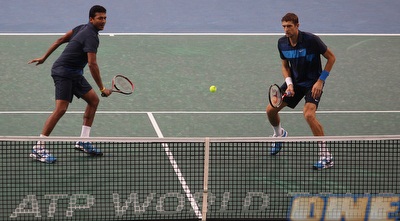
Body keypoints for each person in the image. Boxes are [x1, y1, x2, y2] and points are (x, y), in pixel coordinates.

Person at [28, 5, 112, 163]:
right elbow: (92, 64)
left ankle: (83, 141)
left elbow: (60, 40)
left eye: (105, 18)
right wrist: (102, 88)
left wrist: (44, 58)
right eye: (100, 18)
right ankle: (38, 148)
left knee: (93, 101)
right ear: (91, 19)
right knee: (61, 109)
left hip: (74, 73)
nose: (103, 21)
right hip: (63, 72)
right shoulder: (91, 36)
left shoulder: (81, 28)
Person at [266, 13, 336, 170]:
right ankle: (279, 135)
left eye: (289, 26)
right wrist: (289, 84)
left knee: (309, 115)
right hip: (296, 83)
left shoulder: (312, 40)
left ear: (297, 25)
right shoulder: (282, 43)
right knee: (271, 110)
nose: (286, 29)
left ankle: (326, 156)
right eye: (284, 26)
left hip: (313, 83)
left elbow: (331, 58)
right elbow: (285, 66)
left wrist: (321, 80)